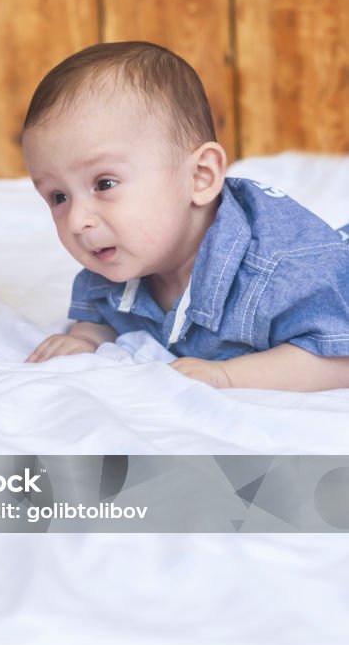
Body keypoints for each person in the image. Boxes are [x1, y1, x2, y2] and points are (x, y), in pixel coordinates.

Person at [22, 41, 349, 390]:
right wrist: (86, 337)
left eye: (104, 183)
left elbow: (338, 358)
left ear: (200, 177)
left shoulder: (279, 276)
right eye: (59, 197)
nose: (77, 221)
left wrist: (227, 376)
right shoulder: (115, 259)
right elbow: (103, 311)